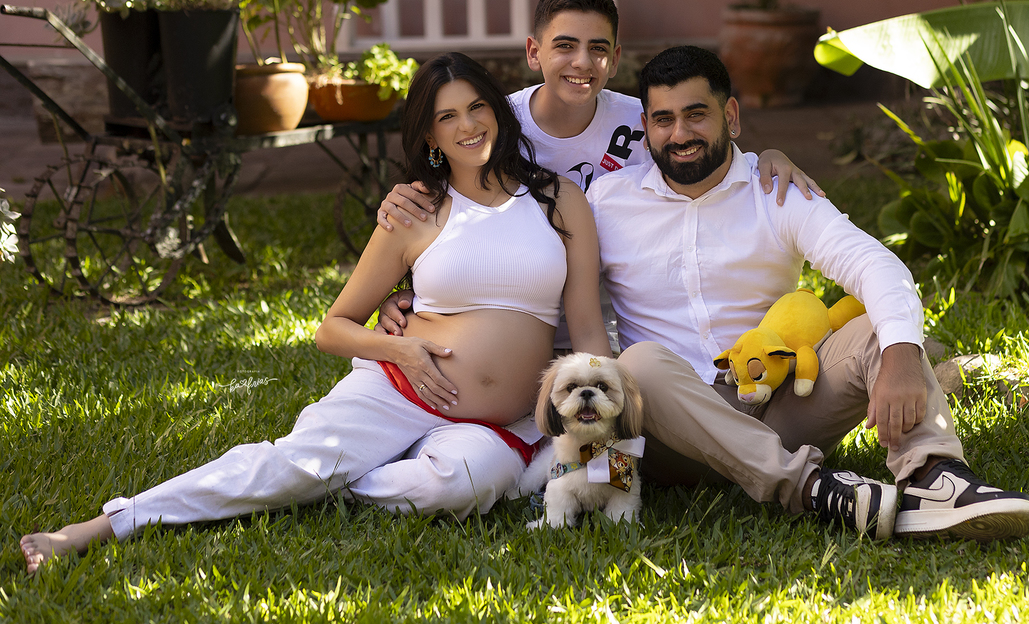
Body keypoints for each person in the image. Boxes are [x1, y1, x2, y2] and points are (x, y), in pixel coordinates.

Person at [19, 52, 612, 574]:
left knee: (462, 486)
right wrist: (400, 348)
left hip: (499, 423)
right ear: (430, 134)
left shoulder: (556, 199)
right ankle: (103, 526)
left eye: (477, 107)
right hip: (399, 388)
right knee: (292, 463)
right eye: (447, 116)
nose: (468, 125)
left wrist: (613, 461)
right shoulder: (414, 211)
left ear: (498, 112)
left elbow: (587, 330)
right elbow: (333, 327)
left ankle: (340, 477)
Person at [589, 45, 1029, 541]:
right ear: (646, 126)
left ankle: (936, 479)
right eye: (663, 119)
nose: (680, 134)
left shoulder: (775, 191)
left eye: (697, 115)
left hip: (780, 404)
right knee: (638, 365)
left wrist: (902, 355)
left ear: (731, 116)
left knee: (878, 332)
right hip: (671, 435)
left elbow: (873, 263)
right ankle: (810, 488)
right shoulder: (607, 202)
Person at [376, 0, 822, 349]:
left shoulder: (648, 122)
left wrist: (769, 157)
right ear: (533, 52)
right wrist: (407, 292)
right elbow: (445, 215)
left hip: (609, 332)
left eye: (598, 48)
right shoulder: (492, 126)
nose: (583, 62)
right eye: (565, 46)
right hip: (512, 330)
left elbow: (710, 155)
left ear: (616, 59)